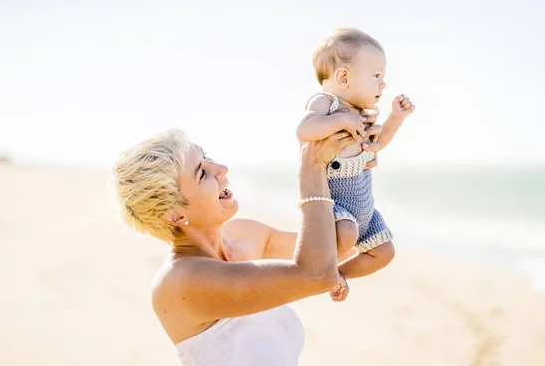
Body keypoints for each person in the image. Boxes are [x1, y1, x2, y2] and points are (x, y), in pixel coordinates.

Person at [110, 123, 381, 365]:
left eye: (207, 157)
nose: (221, 169)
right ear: (175, 215)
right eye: (201, 173)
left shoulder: (245, 234)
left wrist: (348, 166)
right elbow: (317, 274)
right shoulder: (179, 282)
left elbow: (339, 245)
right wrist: (311, 171)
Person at [297, 27, 416, 300]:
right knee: (347, 234)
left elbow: (377, 143)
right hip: (337, 207)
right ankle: (321, 272)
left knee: (384, 252)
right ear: (343, 77)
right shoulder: (327, 103)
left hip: (365, 207)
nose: (383, 84)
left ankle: (341, 273)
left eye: (383, 77)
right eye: (376, 76)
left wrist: (396, 117)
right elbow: (304, 129)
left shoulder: (363, 113)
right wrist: (340, 120)